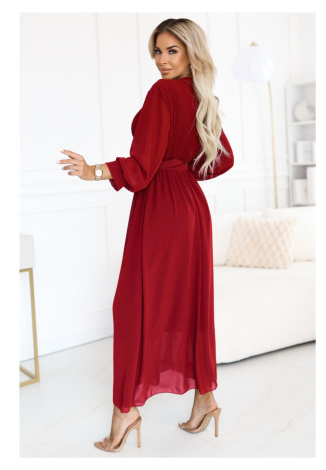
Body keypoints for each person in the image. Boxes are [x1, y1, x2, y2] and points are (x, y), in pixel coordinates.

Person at [57, 18, 234, 453]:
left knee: (133, 307)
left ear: (191, 51)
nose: (161, 60)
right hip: (192, 209)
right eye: (157, 51)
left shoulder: (162, 94)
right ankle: (205, 399)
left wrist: (93, 171)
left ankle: (125, 411)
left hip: (161, 211)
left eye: (172, 50)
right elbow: (223, 159)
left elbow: (140, 169)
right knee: (190, 304)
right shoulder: (201, 97)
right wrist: (183, 173)